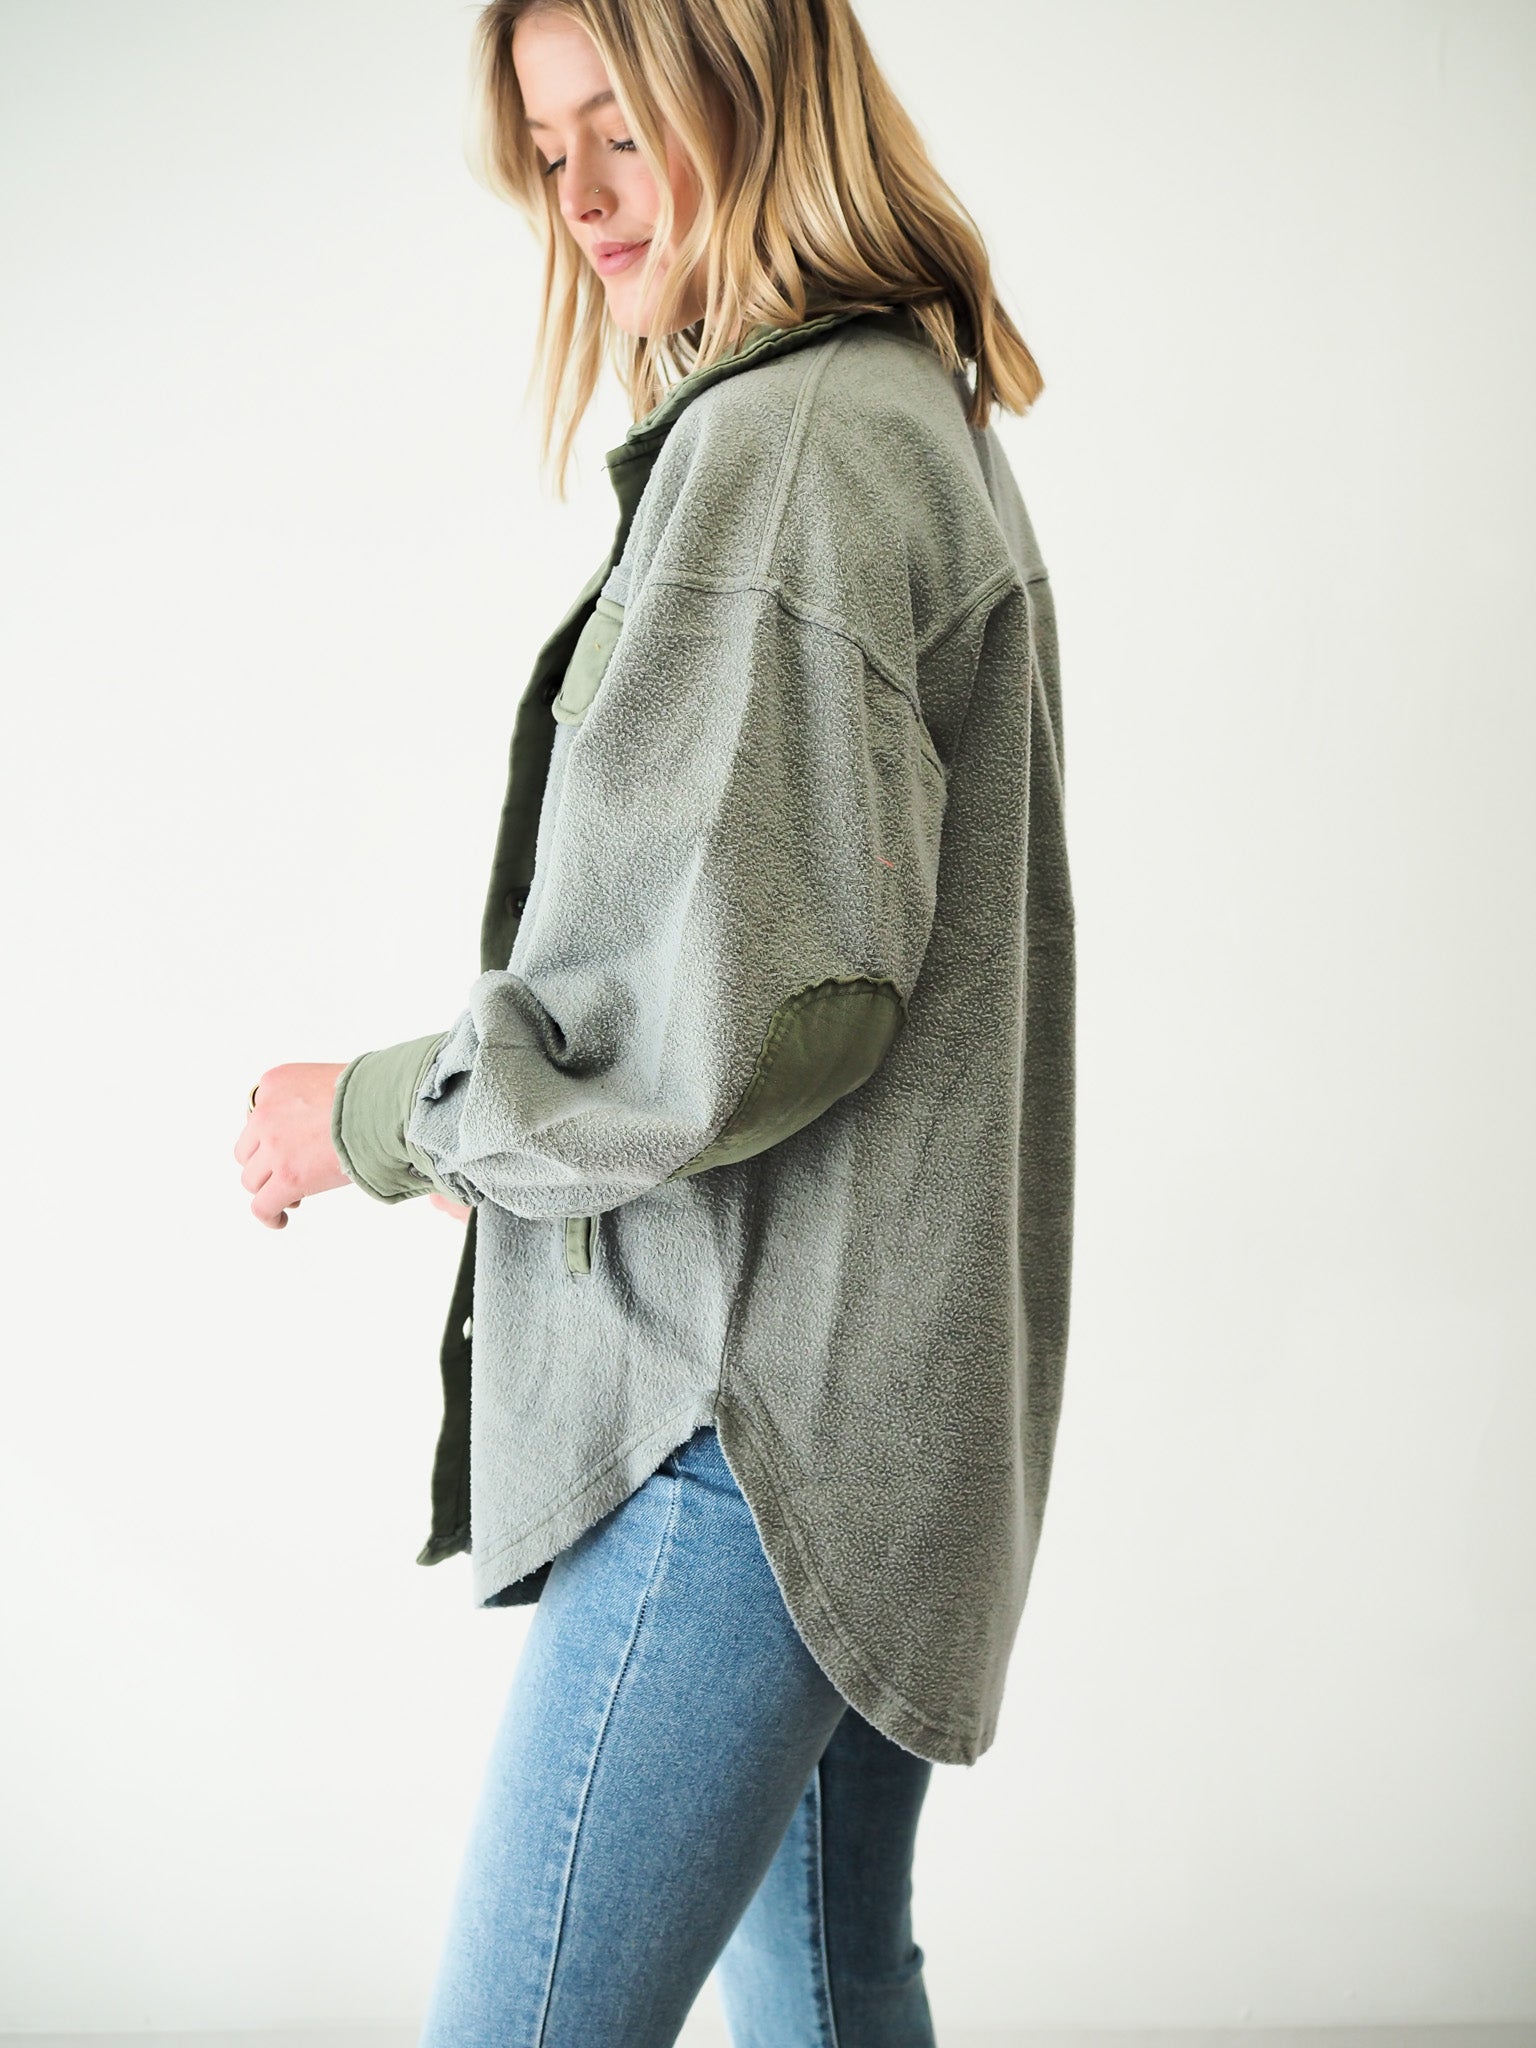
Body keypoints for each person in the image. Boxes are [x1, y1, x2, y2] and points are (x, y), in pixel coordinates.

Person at [231, 0, 1074, 2041]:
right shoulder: (899, 408)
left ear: (755, 94)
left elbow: (718, 1029)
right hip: (863, 1403)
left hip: (744, 1427)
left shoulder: (790, 456)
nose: (586, 199)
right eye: (551, 152)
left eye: (625, 127)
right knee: (832, 1985)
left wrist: (374, 1120)